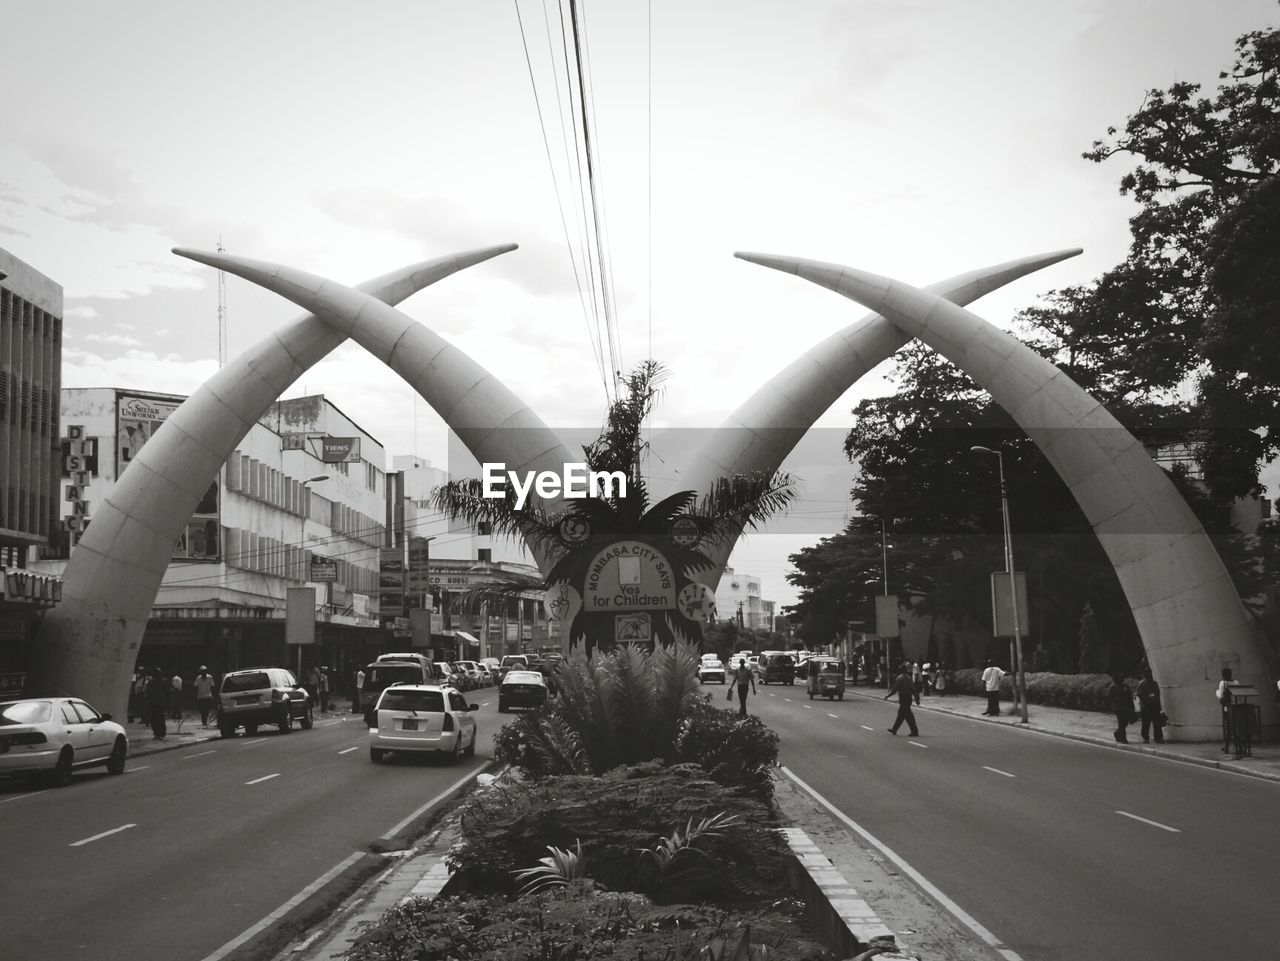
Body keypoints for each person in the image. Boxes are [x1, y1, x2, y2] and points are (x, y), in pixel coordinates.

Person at [884, 663, 920, 736]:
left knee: (907, 716)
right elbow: (913, 689)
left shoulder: (899, 678)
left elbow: (894, 689)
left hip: (903, 698)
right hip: (908, 697)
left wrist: (888, 695)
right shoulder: (909, 678)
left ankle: (914, 731)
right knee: (902, 715)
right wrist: (917, 699)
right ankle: (895, 730)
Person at [1135, 668, 1164, 744]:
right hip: (1146, 706)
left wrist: (1159, 706)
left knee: (1157, 723)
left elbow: (1158, 694)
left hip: (1155, 705)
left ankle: (1158, 738)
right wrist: (1146, 700)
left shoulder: (1154, 683)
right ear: (1145, 675)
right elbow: (1139, 694)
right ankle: (1145, 737)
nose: (1149, 675)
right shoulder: (1142, 684)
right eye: (1148, 673)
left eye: (1150, 673)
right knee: (1146, 723)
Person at [1108, 672, 1133, 744]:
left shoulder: (1126, 687)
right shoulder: (1113, 687)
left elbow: (1130, 697)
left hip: (1126, 707)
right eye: (1119, 677)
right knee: (1121, 723)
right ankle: (1123, 738)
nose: (1121, 679)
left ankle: (1117, 733)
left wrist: (1132, 707)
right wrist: (1111, 707)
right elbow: (1109, 698)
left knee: (1125, 723)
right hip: (1118, 708)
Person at [145, 668, 169, 739]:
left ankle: (161, 734)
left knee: (160, 719)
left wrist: (167, 703)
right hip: (153, 703)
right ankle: (156, 733)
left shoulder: (164, 682)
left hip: (161, 703)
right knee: (153, 719)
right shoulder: (150, 683)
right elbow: (148, 693)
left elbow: (167, 693)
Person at [1216, 666, 1235, 754]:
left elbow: (1221, 697)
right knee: (1237, 727)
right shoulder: (1236, 682)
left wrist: (1217, 693)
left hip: (1227, 707)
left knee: (1228, 727)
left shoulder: (1223, 683)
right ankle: (1240, 746)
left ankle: (1227, 746)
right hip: (1236, 706)